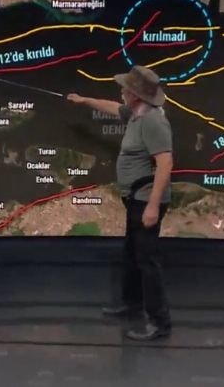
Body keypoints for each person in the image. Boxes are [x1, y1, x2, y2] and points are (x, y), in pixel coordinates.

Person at [67, 65, 173, 341]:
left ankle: (160, 322)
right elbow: (112, 107)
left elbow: (165, 163)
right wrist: (84, 100)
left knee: (147, 261)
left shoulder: (153, 121)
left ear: (136, 95)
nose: (121, 91)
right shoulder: (136, 114)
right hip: (135, 199)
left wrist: (152, 206)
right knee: (132, 254)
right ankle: (132, 305)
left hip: (146, 200)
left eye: (125, 88)